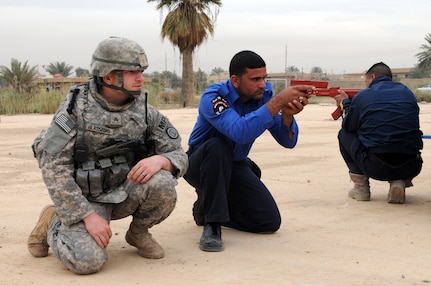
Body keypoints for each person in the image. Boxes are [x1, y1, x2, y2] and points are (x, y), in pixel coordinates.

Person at [27, 37, 188, 274]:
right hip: (86, 199)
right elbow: (54, 168)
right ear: (108, 76)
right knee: (86, 262)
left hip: (124, 192)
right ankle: (52, 221)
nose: (141, 78)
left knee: (163, 182)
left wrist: (162, 160)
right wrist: (86, 215)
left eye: (141, 72)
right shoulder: (75, 109)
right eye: (133, 72)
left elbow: (179, 154)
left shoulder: (145, 112)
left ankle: (139, 233)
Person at [183, 50, 314, 252]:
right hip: (200, 165)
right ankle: (212, 225)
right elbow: (239, 132)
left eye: (264, 78)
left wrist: (287, 115)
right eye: (255, 79)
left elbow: (288, 142)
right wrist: (278, 102)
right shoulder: (214, 97)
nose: (262, 84)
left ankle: (204, 208)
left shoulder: (264, 96)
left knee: (268, 221)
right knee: (218, 146)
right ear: (235, 80)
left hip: (235, 164)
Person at [334, 62, 423, 204]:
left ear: (372, 77)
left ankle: (360, 187)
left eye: (366, 81)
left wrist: (345, 103)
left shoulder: (364, 95)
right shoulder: (407, 92)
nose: (366, 85)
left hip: (376, 166)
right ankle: (398, 181)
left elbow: (349, 126)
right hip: (412, 165)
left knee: (344, 134)